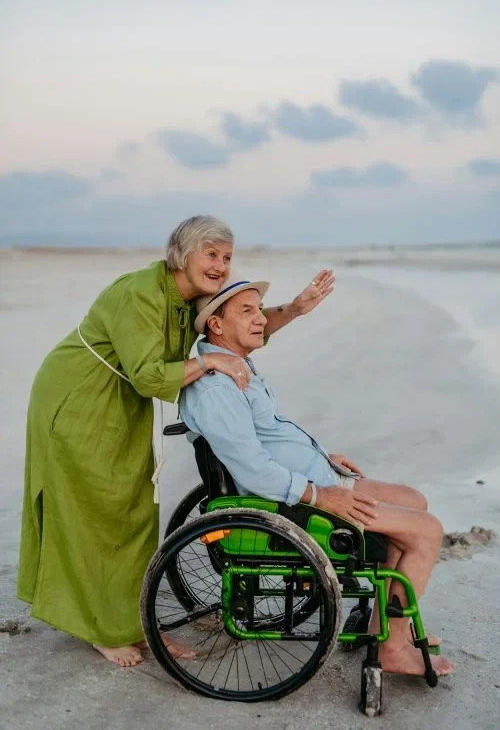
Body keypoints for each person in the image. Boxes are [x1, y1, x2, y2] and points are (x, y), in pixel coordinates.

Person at [17, 215, 334, 668]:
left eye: (227, 256)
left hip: (123, 402)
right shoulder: (140, 293)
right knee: (94, 511)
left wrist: (296, 308)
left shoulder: (189, 299)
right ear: (181, 255)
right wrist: (210, 365)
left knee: (133, 511)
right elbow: (150, 377)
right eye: (211, 254)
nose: (220, 265)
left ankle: (131, 621)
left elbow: (237, 329)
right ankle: (101, 628)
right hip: (81, 398)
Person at [180, 276, 455, 678]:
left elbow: (274, 435)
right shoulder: (217, 388)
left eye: (259, 310)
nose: (261, 319)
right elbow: (253, 470)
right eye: (247, 311)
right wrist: (322, 495)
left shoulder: (237, 367)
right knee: (427, 530)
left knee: (414, 500)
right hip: (288, 504)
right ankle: (393, 648)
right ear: (216, 325)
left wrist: (322, 456)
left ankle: (384, 627)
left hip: (308, 478)